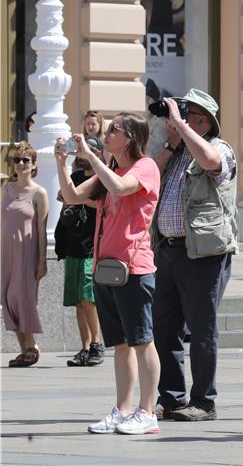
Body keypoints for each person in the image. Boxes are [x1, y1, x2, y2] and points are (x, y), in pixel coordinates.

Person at [56, 113, 162, 435]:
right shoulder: (110, 170)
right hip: (107, 269)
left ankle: (148, 412)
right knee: (119, 344)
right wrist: (62, 162)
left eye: (113, 129)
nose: (107, 133)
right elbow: (72, 196)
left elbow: (120, 186)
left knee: (142, 341)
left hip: (134, 267)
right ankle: (122, 409)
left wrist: (92, 158)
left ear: (129, 137)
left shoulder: (146, 168)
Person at [151, 90, 238, 422]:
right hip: (168, 248)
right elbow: (148, 175)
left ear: (205, 122)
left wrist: (182, 129)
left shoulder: (218, 147)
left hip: (203, 252)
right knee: (164, 326)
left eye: (189, 117)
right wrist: (172, 143)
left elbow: (210, 163)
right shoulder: (176, 151)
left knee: (202, 328)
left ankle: (204, 401)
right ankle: (171, 397)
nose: (180, 123)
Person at [54, 136, 105, 367]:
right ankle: (84, 347)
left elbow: (95, 203)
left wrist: (75, 196)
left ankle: (97, 344)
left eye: (90, 150)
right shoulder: (74, 177)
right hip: (73, 244)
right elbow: (64, 199)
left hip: (91, 247)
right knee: (77, 300)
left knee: (88, 298)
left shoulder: (101, 179)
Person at [2, 143, 48, 368]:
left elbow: (41, 228)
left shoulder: (39, 193)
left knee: (22, 298)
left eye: (25, 160)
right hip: (6, 252)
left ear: (34, 165)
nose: (20, 164)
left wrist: (42, 261)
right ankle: (26, 350)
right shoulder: (7, 188)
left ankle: (31, 345)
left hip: (27, 252)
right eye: (17, 160)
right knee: (9, 299)